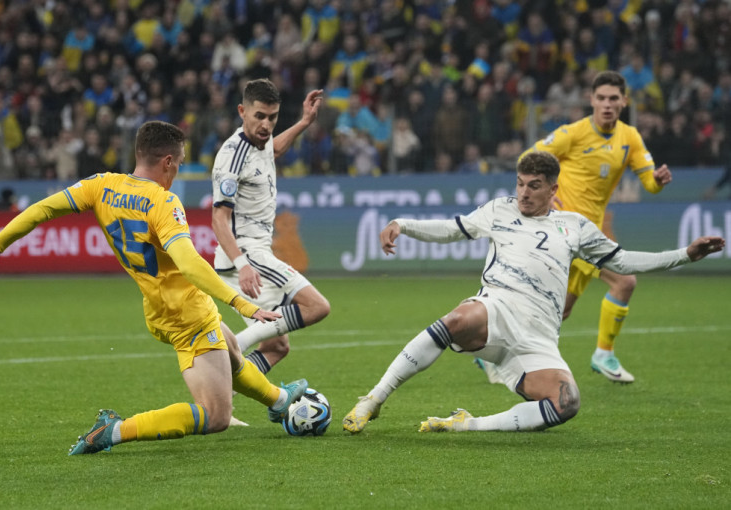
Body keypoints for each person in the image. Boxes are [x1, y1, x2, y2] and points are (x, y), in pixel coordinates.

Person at [0, 121, 308, 455]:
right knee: (217, 415)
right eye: (179, 163)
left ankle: (279, 400)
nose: (177, 170)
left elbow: (42, 209)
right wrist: (241, 303)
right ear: (167, 161)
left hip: (158, 310)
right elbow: (189, 264)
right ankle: (115, 430)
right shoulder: (162, 202)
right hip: (188, 314)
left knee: (231, 349)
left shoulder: (102, 185)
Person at [342, 151, 723, 434]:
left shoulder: (574, 226)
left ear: (553, 189)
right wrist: (402, 224)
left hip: (538, 337)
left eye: (534, 186)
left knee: (566, 403)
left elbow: (622, 262)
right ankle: (373, 399)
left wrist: (685, 255)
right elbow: (451, 229)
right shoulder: (500, 210)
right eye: (520, 184)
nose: (524, 193)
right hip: (497, 308)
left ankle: (466, 424)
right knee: (458, 318)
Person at [505, 70, 674, 383]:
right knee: (625, 281)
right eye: (601, 98)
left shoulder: (630, 138)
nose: (607, 104)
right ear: (591, 100)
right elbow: (528, 157)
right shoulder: (573, 133)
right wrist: (543, 194)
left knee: (561, 310)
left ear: (624, 101)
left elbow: (649, 183)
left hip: (591, 229)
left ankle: (500, 348)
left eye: (613, 98)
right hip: (564, 230)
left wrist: (657, 181)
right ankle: (603, 354)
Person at [210, 79, 331, 377]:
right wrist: (243, 264)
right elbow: (218, 220)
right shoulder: (233, 157)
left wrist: (304, 122)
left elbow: (273, 150)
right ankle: (227, 352)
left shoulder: (260, 142)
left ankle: (222, 391)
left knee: (276, 347)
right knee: (317, 307)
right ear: (242, 111)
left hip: (249, 255)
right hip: (247, 254)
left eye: (272, 117)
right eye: (260, 116)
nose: (266, 125)